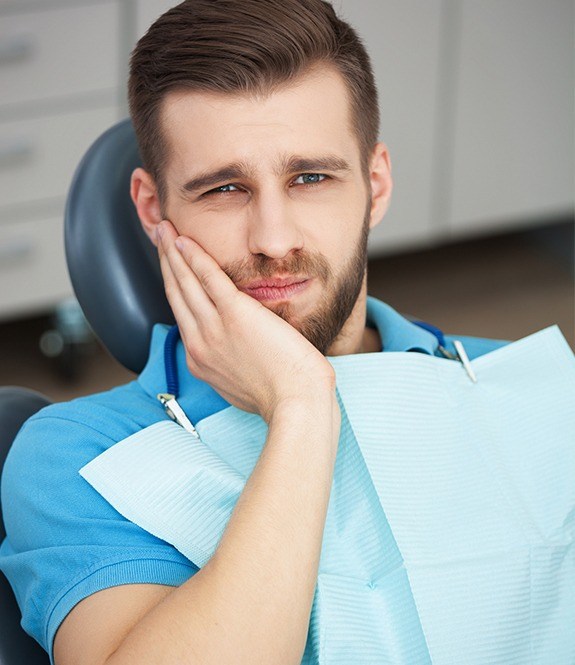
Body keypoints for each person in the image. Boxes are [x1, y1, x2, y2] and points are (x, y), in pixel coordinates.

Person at [5, 1, 569, 664]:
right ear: (152, 208)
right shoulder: (77, 455)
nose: (273, 240)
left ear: (375, 184)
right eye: (223, 189)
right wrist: (302, 404)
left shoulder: (528, 392)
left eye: (310, 178)